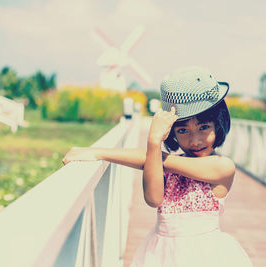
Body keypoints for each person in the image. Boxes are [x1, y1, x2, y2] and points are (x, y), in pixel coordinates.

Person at [63, 66, 253, 267]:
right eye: (182, 130)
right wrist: (96, 152)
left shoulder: (223, 167)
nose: (195, 140)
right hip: (162, 255)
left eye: (204, 127)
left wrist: (153, 143)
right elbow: (153, 199)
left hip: (205, 255)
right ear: (172, 133)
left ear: (219, 124)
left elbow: (158, 160)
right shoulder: (164, 164)